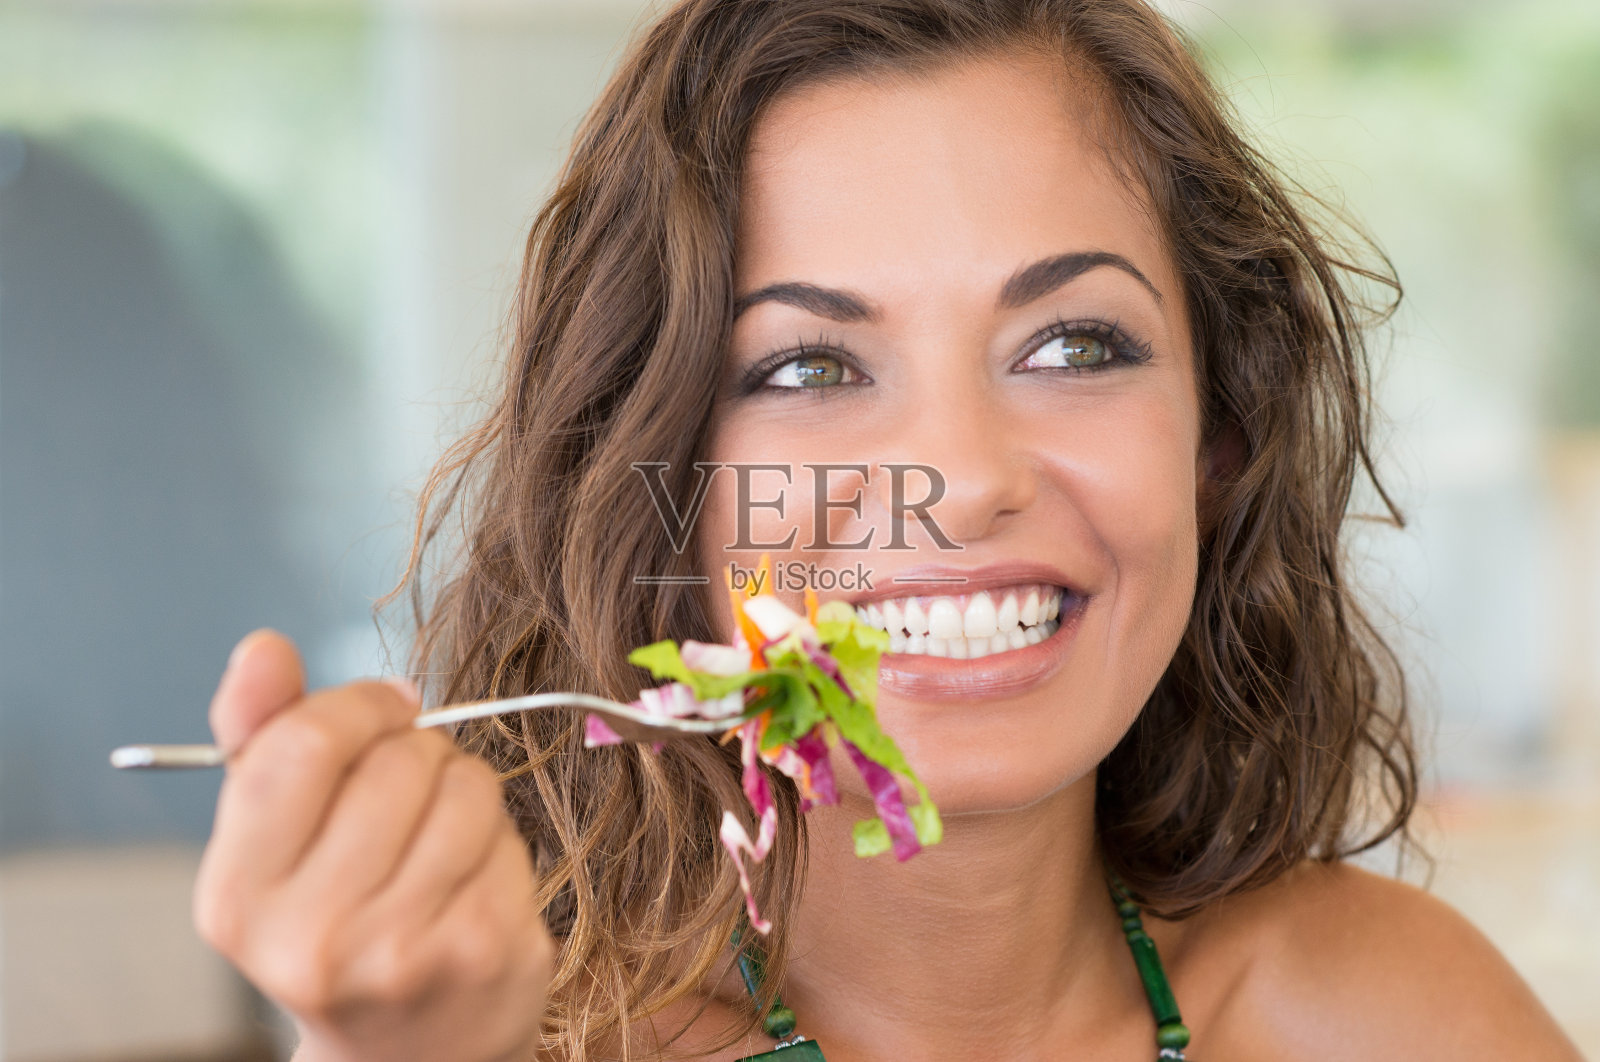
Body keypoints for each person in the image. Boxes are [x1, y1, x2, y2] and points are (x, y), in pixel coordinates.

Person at [194, 1, 1586, 1060]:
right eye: (808, 368)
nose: (964, 476)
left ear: (1216, 440)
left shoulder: (1388, 1010)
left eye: (1074, 344)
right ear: (656, 480)